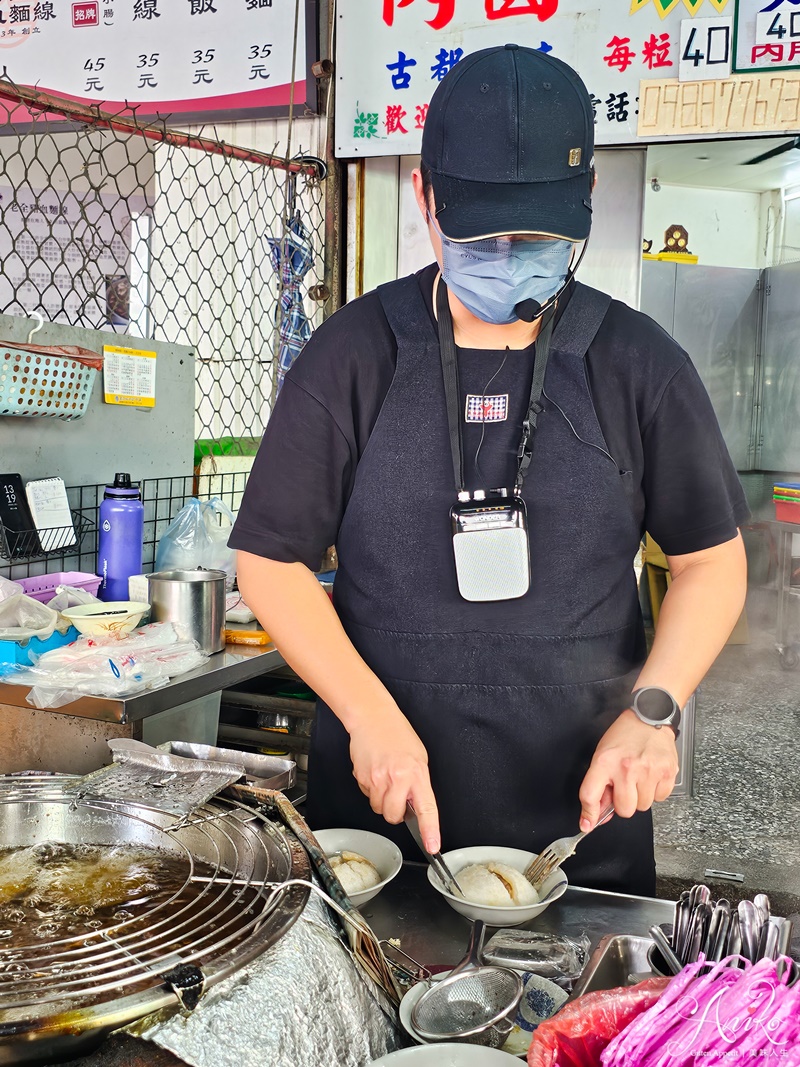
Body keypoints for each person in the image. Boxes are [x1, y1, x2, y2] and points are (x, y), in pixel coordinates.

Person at [231, 44, 748, 895]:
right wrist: (367, 716)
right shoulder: (352, 355)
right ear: (425, 198)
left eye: (538, 237)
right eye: (479, 234)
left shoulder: (639, 363)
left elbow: (709, 560)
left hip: (581, 824)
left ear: (586, 203)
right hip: (377, 820)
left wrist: (655, 710)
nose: (508, 258)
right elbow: (271, 557)